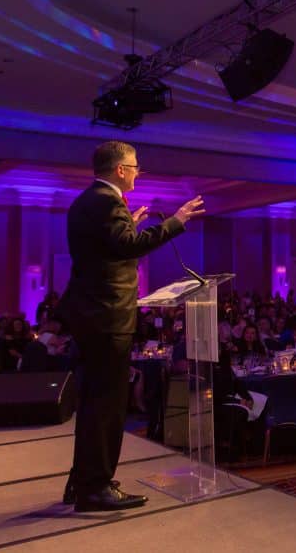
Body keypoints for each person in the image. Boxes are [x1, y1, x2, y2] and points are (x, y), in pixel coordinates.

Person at [55, 141, 204, 512]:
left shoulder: (86, 201)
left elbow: (110, 248)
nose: (139, 171)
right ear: (120, 169)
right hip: (108, 316)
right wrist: (175, 223)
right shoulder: (107, 202)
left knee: (93, 403)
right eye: (135, 166)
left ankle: (85, 479)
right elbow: (127, 247)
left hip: (92, 315)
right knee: (107, 405)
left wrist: (129, 228)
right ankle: (96, 487)